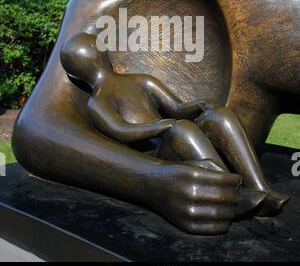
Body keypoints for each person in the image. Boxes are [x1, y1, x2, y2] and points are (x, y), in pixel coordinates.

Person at [60, 32, 289, 217]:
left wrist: (200, 105)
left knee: (218, 116)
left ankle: (260, 188)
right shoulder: (98, 102)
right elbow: (121, 131)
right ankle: (231, 193)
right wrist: (163, 127)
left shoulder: (140, 80)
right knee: (182, 128)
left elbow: (176, 108)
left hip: (174, 133)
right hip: (158, 153)